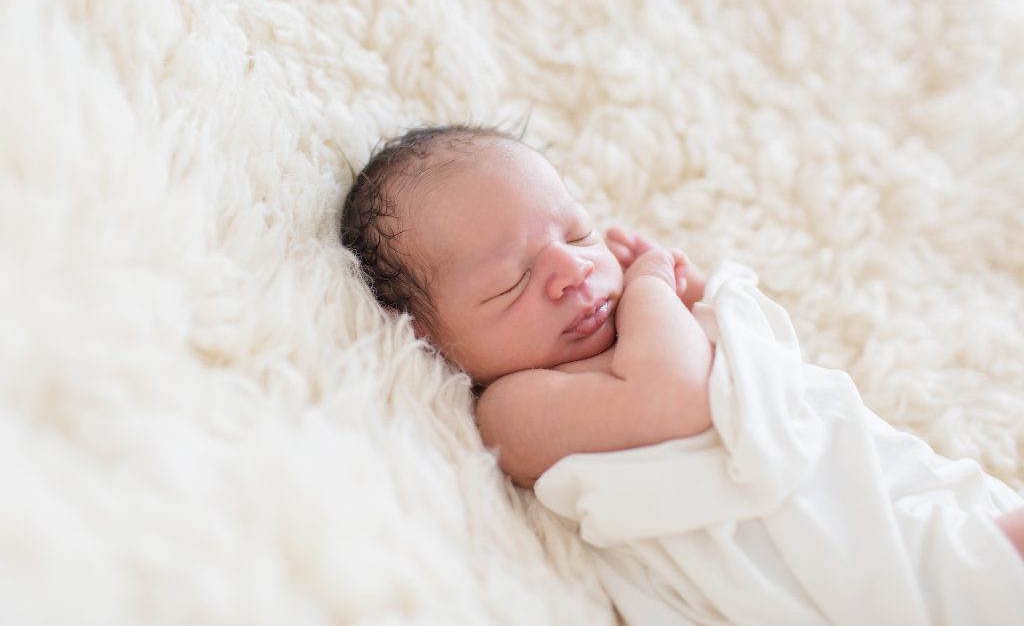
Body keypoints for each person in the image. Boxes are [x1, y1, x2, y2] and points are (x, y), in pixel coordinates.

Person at [341, 124, 1024, 624]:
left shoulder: (641, 325)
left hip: (873, 493)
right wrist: (652, 290)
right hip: (841, 562)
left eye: (577, 234)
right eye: (512, 281)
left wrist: (704, 302)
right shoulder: (513, 408)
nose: (572, 271)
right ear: (428, 338)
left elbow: (765, 381)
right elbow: (675, 398)